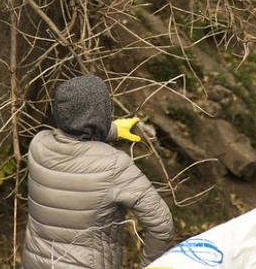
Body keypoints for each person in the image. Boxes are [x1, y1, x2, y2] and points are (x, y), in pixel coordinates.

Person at [22, 75, 173, 268]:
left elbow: (72, 134)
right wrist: (150, 265)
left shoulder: (39, 145)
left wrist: (112, 130)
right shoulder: (114, 166)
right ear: (101, 113)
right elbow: (162, 225)